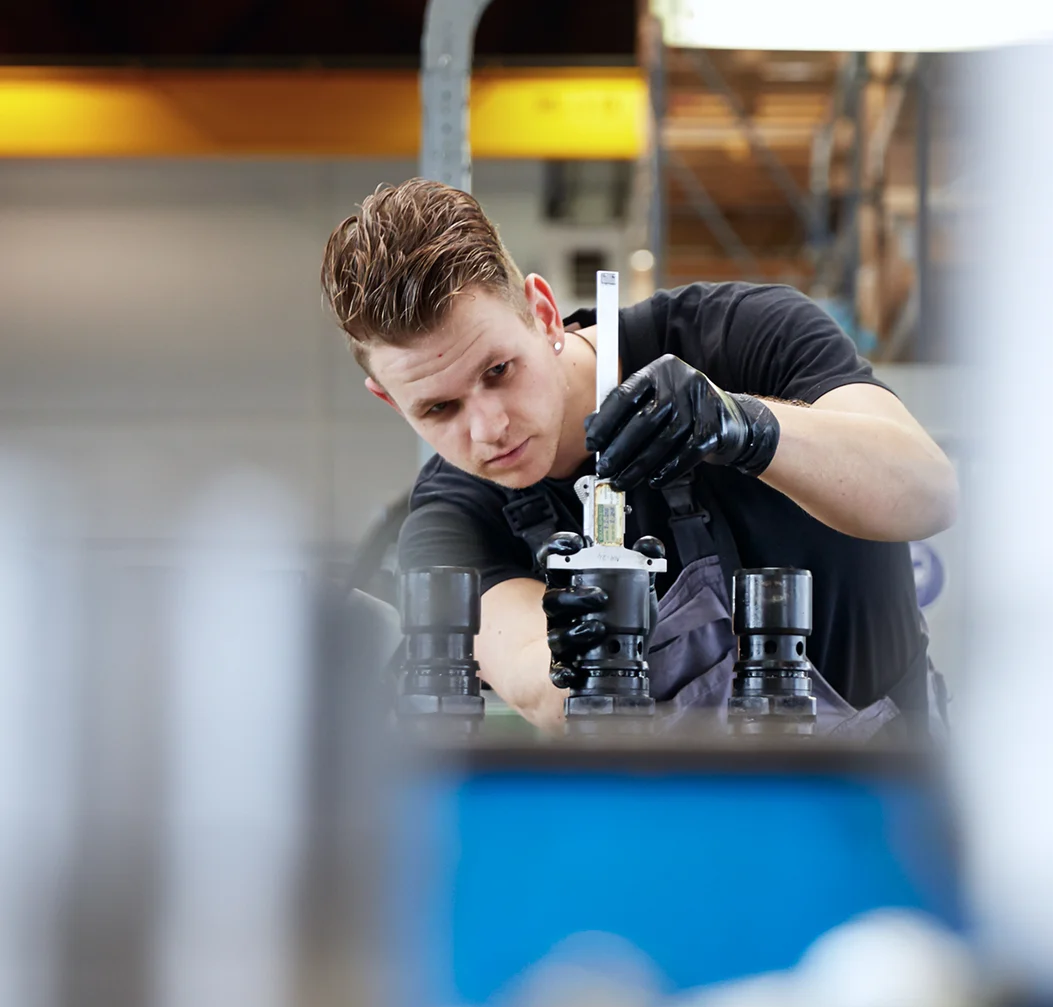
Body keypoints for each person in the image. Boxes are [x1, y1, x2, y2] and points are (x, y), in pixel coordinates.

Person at [320, 178, 957, 733]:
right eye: (439, 409)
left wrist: (744, 426)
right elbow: (536, 682)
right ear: (389, 400)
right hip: (668, 834)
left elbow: (927, 493)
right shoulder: (451, 519)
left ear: (544, 315)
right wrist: (587, 652)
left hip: (882, 814)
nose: (489, 427)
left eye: (498, 371)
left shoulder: (744, 334)